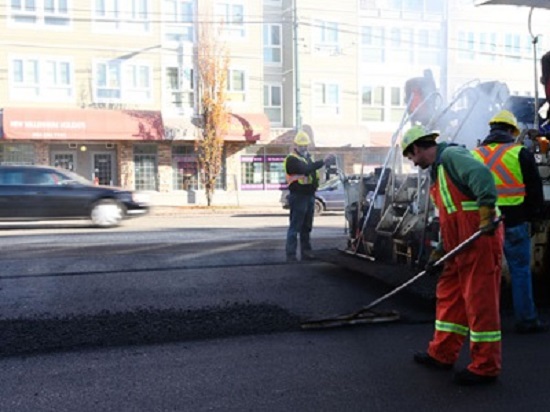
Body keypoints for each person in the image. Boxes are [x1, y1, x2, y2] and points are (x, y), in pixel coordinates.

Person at [402, 125, 504, 386]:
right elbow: (449, 217)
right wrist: (439, 250)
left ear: (417, 148)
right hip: (458, 246)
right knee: (449, 296)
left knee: (480, 303)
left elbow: (482, 175)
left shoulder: (451, 157)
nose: (413, 163)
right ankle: (442, 353)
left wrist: (485, 214)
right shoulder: (438, 173)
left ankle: (485, 366)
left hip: (480, 240)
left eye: (411, 157)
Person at [472, 110, 548, 334]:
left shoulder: (475, 155)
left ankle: (481, 321)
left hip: (485, 224)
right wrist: (535, 217)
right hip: (514, 221)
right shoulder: (519, 152)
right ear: (511, 131)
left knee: (484, 273)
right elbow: (535, 189)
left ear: (491, 129)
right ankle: (526, 320)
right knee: (520, 271)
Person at [284, 130, 335, 262]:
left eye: (305, 145)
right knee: (295, 227)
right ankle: (291, 255)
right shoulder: (292, 159)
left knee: (306, 227)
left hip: (309, 196)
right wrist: (322, 161)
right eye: (301, 145)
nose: (304, 148)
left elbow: (311, 172)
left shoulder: (308, 158)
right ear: (295, 145)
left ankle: (306, 253)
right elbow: (305, 169)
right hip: (298, 196)